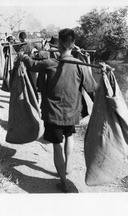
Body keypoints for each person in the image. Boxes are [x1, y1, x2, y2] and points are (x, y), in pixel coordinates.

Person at [19, 28, 98, 192]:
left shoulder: (50, 63)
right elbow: (92, 88)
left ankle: (64, 182)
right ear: (73, 44)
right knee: (69, 136)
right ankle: (68, 166)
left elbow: (32, 65)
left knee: (57, 146)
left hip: (53, 114)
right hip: (72, 113)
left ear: (59, 45)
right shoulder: (81, 65)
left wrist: (23, 56)